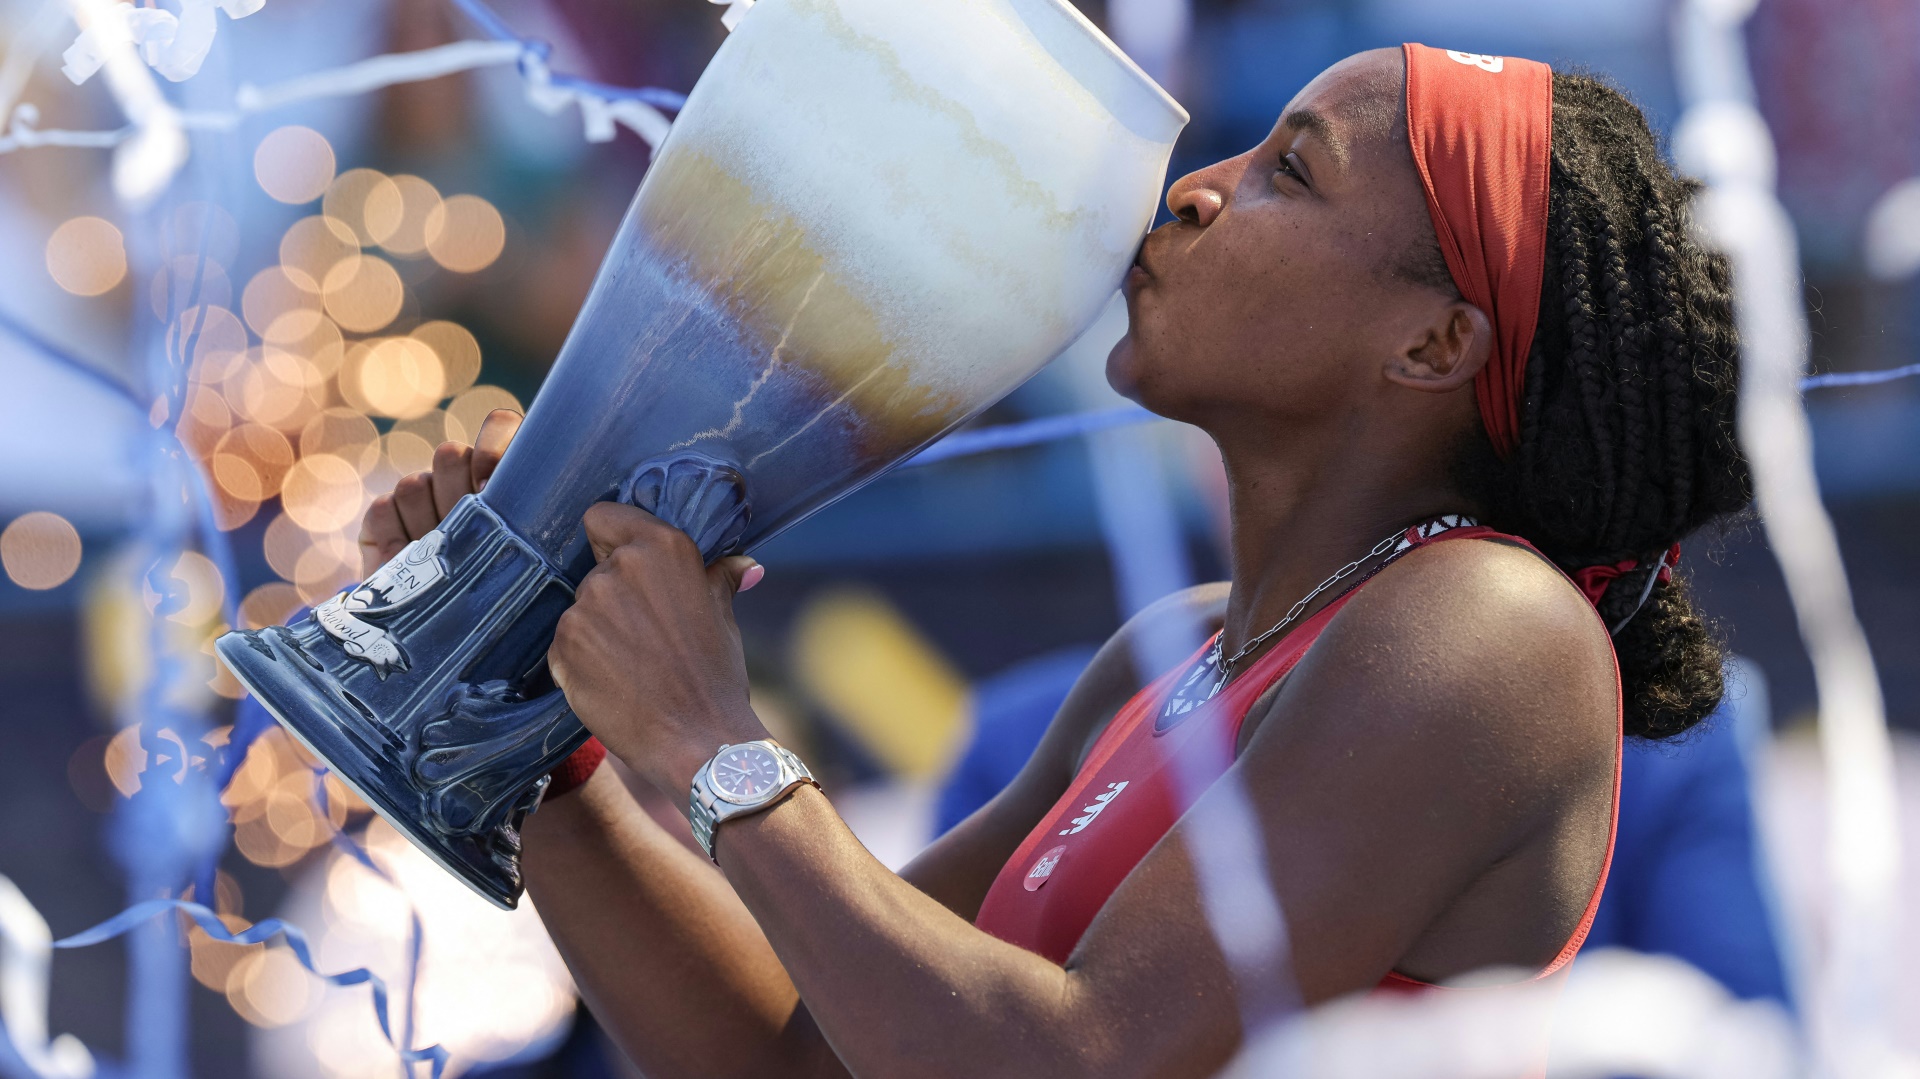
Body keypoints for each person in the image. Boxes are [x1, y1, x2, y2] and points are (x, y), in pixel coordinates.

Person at [360, 45, 1749, 1078]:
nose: (1197, 192)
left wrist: (712, 738)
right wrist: (542, 738)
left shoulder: (1494, 627)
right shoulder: (1170, 654)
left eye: (1291, 173)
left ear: (1437, 344)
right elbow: (796, 1059)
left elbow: (1084, 1065)